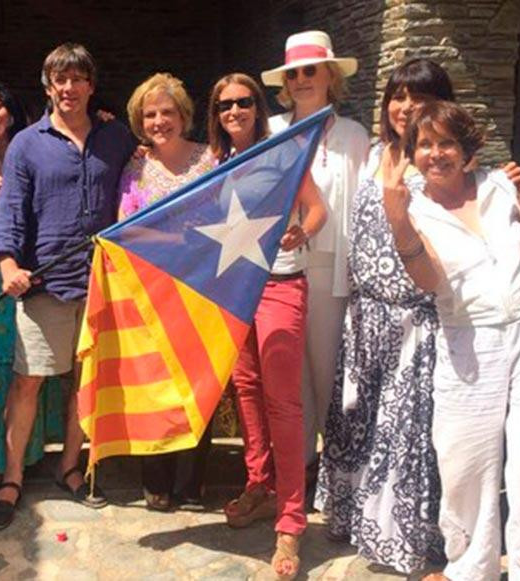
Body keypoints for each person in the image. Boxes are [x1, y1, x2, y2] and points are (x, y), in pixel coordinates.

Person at [317, 58, 520, 577]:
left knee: (407, 432)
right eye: (397, 96)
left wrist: (507, 181)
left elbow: (490, 207)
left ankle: (410, 541)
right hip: (366, 316)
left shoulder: (441, 162)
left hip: (419, 320)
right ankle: (355, 518)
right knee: (360, 421)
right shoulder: (371, 155)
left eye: (418, 97)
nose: (405, 107)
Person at [386, 100, 520, 580]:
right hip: (469, 342)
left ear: (466, 149)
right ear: (411, 152)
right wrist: (399, 222)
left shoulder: (503, 186)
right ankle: (469, 569)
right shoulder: (410, 206)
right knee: (465, 463)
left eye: (447, 142)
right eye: (424, 144)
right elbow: (428, 280)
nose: (436, 153)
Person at [0, 43, 135, 530]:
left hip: (102, 284)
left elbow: (145, 182)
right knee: (27, 381)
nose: (67, 88)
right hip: (45, 283)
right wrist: (8, 263)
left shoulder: (117, 137)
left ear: (91, 84)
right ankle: (10, 478)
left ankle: (70, 466)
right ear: (48, 86)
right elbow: (9, 209)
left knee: (83, 381)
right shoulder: (28, 143)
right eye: (58, 80)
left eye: (76, 79)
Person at [208, 72, 327, 580]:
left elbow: (318, 207)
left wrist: (303, 229)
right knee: (247, 389)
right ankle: (259, 484)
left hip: (280, 285)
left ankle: (291, 519)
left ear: (258, 107)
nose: (233, 111)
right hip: (234, 291)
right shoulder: (217, 164)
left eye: (242, 102)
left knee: (283, 400)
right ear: (215, 114)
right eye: (223, 105)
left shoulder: (283, 152)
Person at [259, 31, 369, 478]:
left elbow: (364, 203)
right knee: (288, 373)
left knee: (328, 372)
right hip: (281, 267)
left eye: (310, 70)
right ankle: (297, 465)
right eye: (294, 73)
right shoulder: (271, 131)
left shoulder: (353, 135)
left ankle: (336, 471)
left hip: (331, 269)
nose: (302, 80)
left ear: (329, 75)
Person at [117, 73, 217, 511]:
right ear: (140, 121)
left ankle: (193, 483)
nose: (159, 121)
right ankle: (155, 477)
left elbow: (222, 221)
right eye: (150, 114)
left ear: (183, 116)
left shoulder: (210, 159)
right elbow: (127, 227)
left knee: (200, 385)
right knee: (156, 387)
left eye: (167, 112)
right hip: (152, 291)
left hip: (202, 289)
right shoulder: (136, 166)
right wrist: (177, 241)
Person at [0, 79, 65, 482]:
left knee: (28, 365)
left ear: (12, 109)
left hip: (31, 272)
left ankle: (28, 453)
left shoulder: (40, 152)